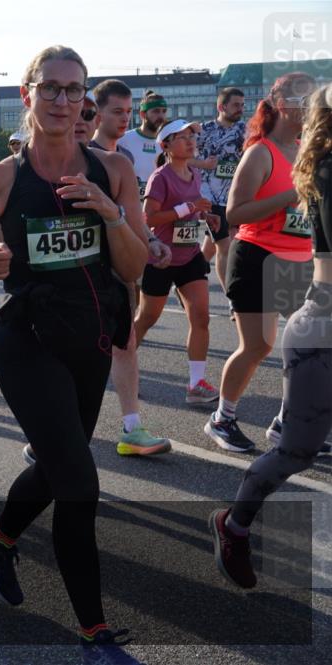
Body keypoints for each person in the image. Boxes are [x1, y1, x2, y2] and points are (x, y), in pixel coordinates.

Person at [0, 46, 149, 665]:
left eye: (75, 92)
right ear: (27, 93)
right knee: (79, 481)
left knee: (61, 463)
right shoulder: (2, 178)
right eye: (51, 89)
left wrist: (111, 214)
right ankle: (94, 635)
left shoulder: (114, 170)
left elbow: (135, 265)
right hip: (27, 341)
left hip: (91, 338)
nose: (64, 102)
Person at [210, 82, 332, 590]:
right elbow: (235, 215)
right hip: (312, 312)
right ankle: (235, 525)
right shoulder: (321, 169)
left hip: (297, 271)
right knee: (295, 452)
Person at [204, 72, 319, 453]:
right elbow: (236, 213)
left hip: (300, 259)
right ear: (281, 103)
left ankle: (288, 423)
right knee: (258, 346)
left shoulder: (307, 150)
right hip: (257, 258)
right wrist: (291, 192)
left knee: (310, 347)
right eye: (303, 99)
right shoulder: (260, 151)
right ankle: (222, 418)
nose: (310, 106)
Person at [86, 78, 173, 456]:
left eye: (127, 111)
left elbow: (132, 212)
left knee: (126, 343)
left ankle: (131, 429)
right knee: (78, 351)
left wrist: (150, 241)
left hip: (121, 267)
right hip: (85, 268)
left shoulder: (121, 155)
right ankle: (50, 436)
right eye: (116, 112)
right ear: (96, 112)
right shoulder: (79, 154)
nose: (124, 119)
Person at [132, 121, 222, 405]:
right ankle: (120, 362)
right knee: (147, 318)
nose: (190, 141)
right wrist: (188, 208)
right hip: (161, 257)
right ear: (166, 146)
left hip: (190, 255)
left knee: (201, 316)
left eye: (191, 136)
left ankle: (196, 384)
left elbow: (193, 206)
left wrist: (206, 217)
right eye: (182, 138)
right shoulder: (160, 177)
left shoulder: (194, 173)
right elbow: (149, 218)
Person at [193, 87, 246, 297]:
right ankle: (232, 298)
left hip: (235, 196)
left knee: (212, 246)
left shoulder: (247, 131)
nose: (240, 109)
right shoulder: (203, 131)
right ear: (221, 107)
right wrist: (203, 164)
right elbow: (179, 157)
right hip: (210, 197)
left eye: (242, 105)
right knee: (225, 245)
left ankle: (192, 273)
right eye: (235, 105)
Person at [119, 90, 168, 197]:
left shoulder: (169, 144)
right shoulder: (123, 140)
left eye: (164, 111)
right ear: (142, 114)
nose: (161, 116)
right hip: (131, 209)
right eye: (156, 111)